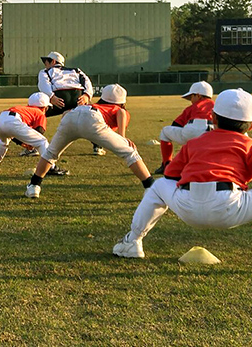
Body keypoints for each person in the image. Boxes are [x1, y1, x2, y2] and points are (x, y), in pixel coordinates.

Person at [113, 88, 252, 259]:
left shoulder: (195, 142)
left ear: (213, 118)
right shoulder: (248, 145)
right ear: (250, 125)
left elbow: (171, 174)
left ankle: (132, 241)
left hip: (188, 206)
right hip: (230, 209)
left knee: (159, 185)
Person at [25, 84, 153, 199]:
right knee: (129, 152)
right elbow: (121, 112)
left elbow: (66, 113)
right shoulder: (117, 108)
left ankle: (34, 186)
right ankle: (150, 187)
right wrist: (122, 138)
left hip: (72, 114)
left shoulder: (96, 104)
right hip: (93, 118)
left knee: (50, 153)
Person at [38, 51, 104, 155]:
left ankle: (32, 147)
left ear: (53, 61)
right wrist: (87, 95)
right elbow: (87, 81)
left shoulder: (45, 72)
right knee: (89, 119)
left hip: (59, 97)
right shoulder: (76, 70)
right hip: (77, 97)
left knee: (38, 115)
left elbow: (43, 84)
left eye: (46, 61)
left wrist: (52, 97)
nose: (45, 64)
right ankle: (97, 147)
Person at [0, 92, 69, 176]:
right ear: (45, 107)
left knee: (3, 142)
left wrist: (23, 142)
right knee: (42, 141)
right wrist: (31, 143)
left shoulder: (25, 109)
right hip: (13, 121)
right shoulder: (39, 112)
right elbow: (40, 130)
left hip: (0, 120)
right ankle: (51, 168)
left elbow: (12, 133)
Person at [154, 81, 214, 174]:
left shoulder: (193, 107)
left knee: (165, 132)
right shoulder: (216, 106)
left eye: (191, 97)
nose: (191, 100)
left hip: (193, 128)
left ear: (198, 96)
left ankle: (166, 164)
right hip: (213, 132)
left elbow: (175, 125)